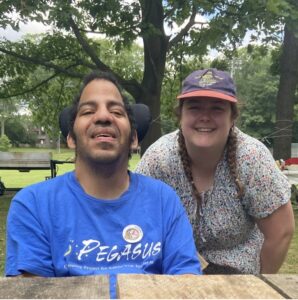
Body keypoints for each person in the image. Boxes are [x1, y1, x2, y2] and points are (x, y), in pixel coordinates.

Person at [5, 71, 202, 298]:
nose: (103, 117)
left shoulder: (163, 200)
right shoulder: (33, 205)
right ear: (71, 138)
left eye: (116, 111)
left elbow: (187, 282)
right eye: (88, 111)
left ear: (134, 139)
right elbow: (32, 293)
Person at [136, 68, 295, 274]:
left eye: (217, 109)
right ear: (180, 116)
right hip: (172, 273)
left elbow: (281, 232)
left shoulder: (252, 158)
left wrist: (259, 286)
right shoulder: (159, 158)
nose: (205, 117)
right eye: (194, 108)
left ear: (232, 118)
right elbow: (133, 219)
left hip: (239, 277)